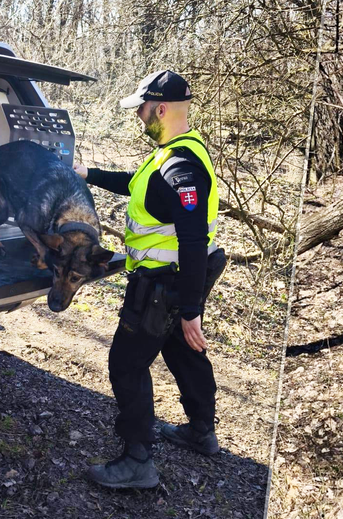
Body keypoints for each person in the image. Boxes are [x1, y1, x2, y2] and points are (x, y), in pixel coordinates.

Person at [73, 70, 227, 489]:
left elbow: (193, 239)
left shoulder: (180, 166)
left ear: (159, 108)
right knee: (180, 348)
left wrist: (191, 309)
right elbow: (139, 186)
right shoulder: (175, 151)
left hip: (165, 281)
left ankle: (137, 460)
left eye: (141, 110)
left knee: (126, 363)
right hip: (178, 277)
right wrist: (88, 174)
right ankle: (201, 431)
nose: (138, 117)